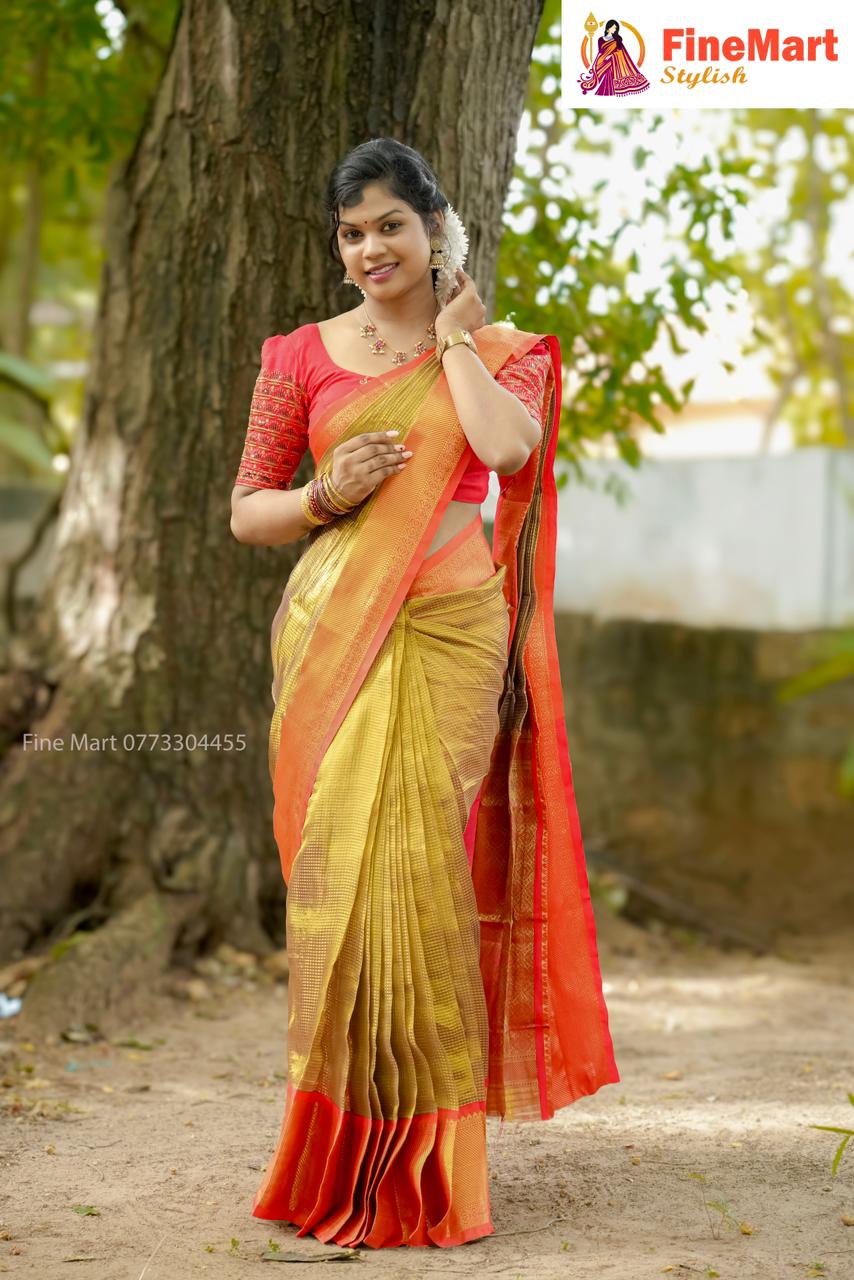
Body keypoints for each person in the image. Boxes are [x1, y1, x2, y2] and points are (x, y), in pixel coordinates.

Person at [230, 137, 619, 1250]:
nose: (369, 250)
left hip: (451, 631)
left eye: (390, 225)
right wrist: (321, 497)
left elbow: (507, 450)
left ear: (434, 228)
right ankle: (338, 1154)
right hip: (332, 634)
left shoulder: (501, 353)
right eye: (351, 232)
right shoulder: (298, 356)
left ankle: (431, 1168)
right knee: (341, 879)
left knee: (417, 870)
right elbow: (247, 510)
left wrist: (452, 340)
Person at [579, 18, 650, 97]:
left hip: (612, 61)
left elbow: (620, 52)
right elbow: (600, 52)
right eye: (613, 27)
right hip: (602, 60)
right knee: (599, 74)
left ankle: (607, 92)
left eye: (616, 28)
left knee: (609, 74)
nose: (615, 29)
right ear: (608, 28)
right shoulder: (600, 39)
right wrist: (595, 63)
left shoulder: (617, 39)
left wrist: (611, 56)